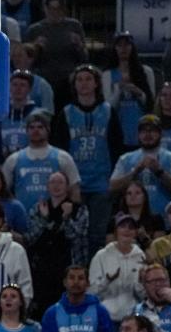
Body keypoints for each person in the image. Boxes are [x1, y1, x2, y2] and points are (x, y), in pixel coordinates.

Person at [52, 64, 123, 251]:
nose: (83, 84)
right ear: (74, 85)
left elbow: (117, 147)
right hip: (76, 185)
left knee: (98, 235)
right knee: (75, 235)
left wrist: (112, 179)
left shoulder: (108, 111)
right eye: (79, 80)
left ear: (96, 84)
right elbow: (60, 151)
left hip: (101, 183)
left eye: (88, 79)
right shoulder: (66, 113)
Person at [25, 172, 90, 317]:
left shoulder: (79, 209)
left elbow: (78, 236)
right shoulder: (38, 208)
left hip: (68, 267)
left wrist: (66, 218)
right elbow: (31, 238)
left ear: (67, 187)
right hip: (42, 270)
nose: (56, 186)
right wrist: (45, 219)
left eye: (60, 182)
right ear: (47, 186)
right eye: (53, 182)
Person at [110, 115, 171, 226]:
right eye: (143, 131)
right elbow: (112, 187)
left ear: (160, 134)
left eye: (152, 131)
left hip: (166, 221)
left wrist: (160, 172)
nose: (148, 134)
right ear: (138, 135)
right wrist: (135, 172)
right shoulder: (126, 159)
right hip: (132, 224)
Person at [2, 111, 81, 213]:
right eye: (32, 127)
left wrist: (73, 213)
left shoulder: (63, 157)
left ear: (48, 130)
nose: (36, 130)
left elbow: (75, 189)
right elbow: (3, 190)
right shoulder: (14, 159)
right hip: (23, 218)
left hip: (55, 218)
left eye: (40, 127)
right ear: (26, 131)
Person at [24, 0, 88, 106]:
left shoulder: (74, 26)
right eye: (51, 8)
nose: (54, 12)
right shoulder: (34, 30)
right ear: (45, 8)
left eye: (58, 8)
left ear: (63, 9)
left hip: (69, 83)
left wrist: (79, 45)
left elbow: (84, 58)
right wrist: (35, 48)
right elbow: (25, 62)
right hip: (43, 82)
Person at [89, 213, 146, 323]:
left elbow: (144, 296)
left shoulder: (141, 256)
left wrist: (139, 282)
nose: (127, 230)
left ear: (135, 232)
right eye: (123, 226)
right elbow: (91, 293)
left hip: (133, 319)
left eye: (131, 227)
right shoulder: (101, 256)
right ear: (115, 231)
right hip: (105, 318)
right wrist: (107, 281)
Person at [103, 32, 156, 151]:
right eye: (119, 45)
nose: (123, 49)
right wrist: (119, 90)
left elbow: (151, 102)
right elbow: (108, 107)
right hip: (118, 130)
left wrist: (138, 92)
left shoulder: (146, 71)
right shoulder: (108, 74)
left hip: (141, 129)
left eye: (127, 45)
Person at [9, 41, 55, 114]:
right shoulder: (5, 81)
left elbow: (48, 111)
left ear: (30, 59)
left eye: (20, 56)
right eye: (14, 56)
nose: (16, 59)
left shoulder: (42, 85)